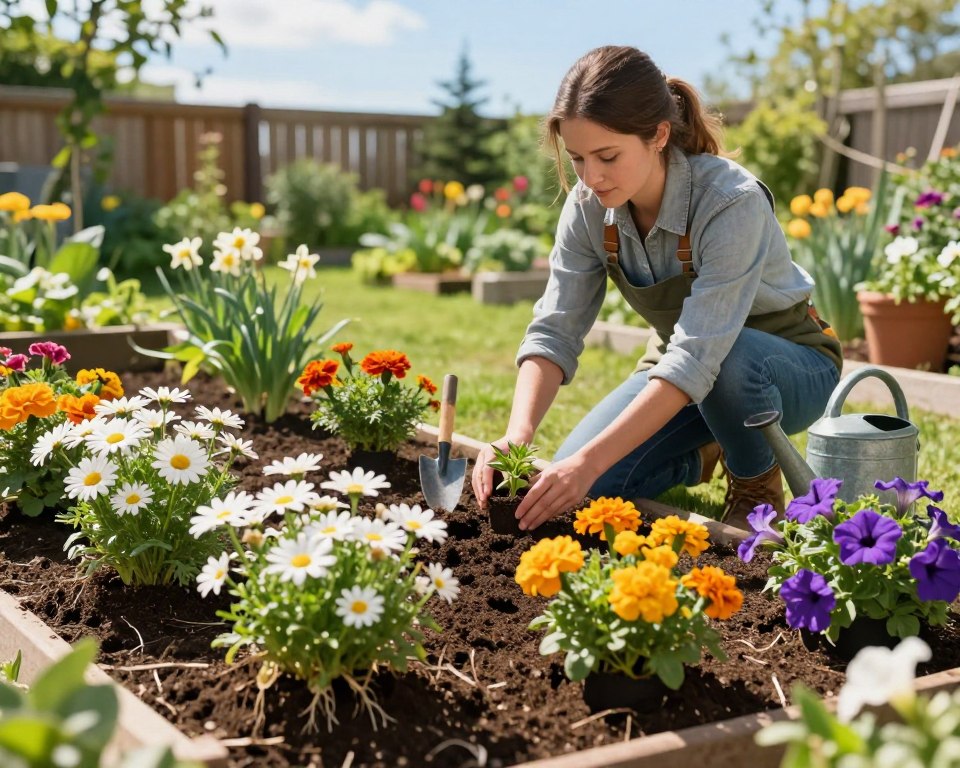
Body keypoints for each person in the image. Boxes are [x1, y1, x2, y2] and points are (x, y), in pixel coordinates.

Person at [471, 45, 842, 532]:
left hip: (784, 370)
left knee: (727, 361)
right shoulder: (588, 207)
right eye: (578, 158)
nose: (591, 176)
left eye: (607, 156)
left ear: (659, 135)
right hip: (681, 373)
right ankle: (704, 449)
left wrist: (588, 461)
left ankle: (756, 483)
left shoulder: (730, 202)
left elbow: (698, 355)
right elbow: (555, 329)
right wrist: (517, 435)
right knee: (587, 488)